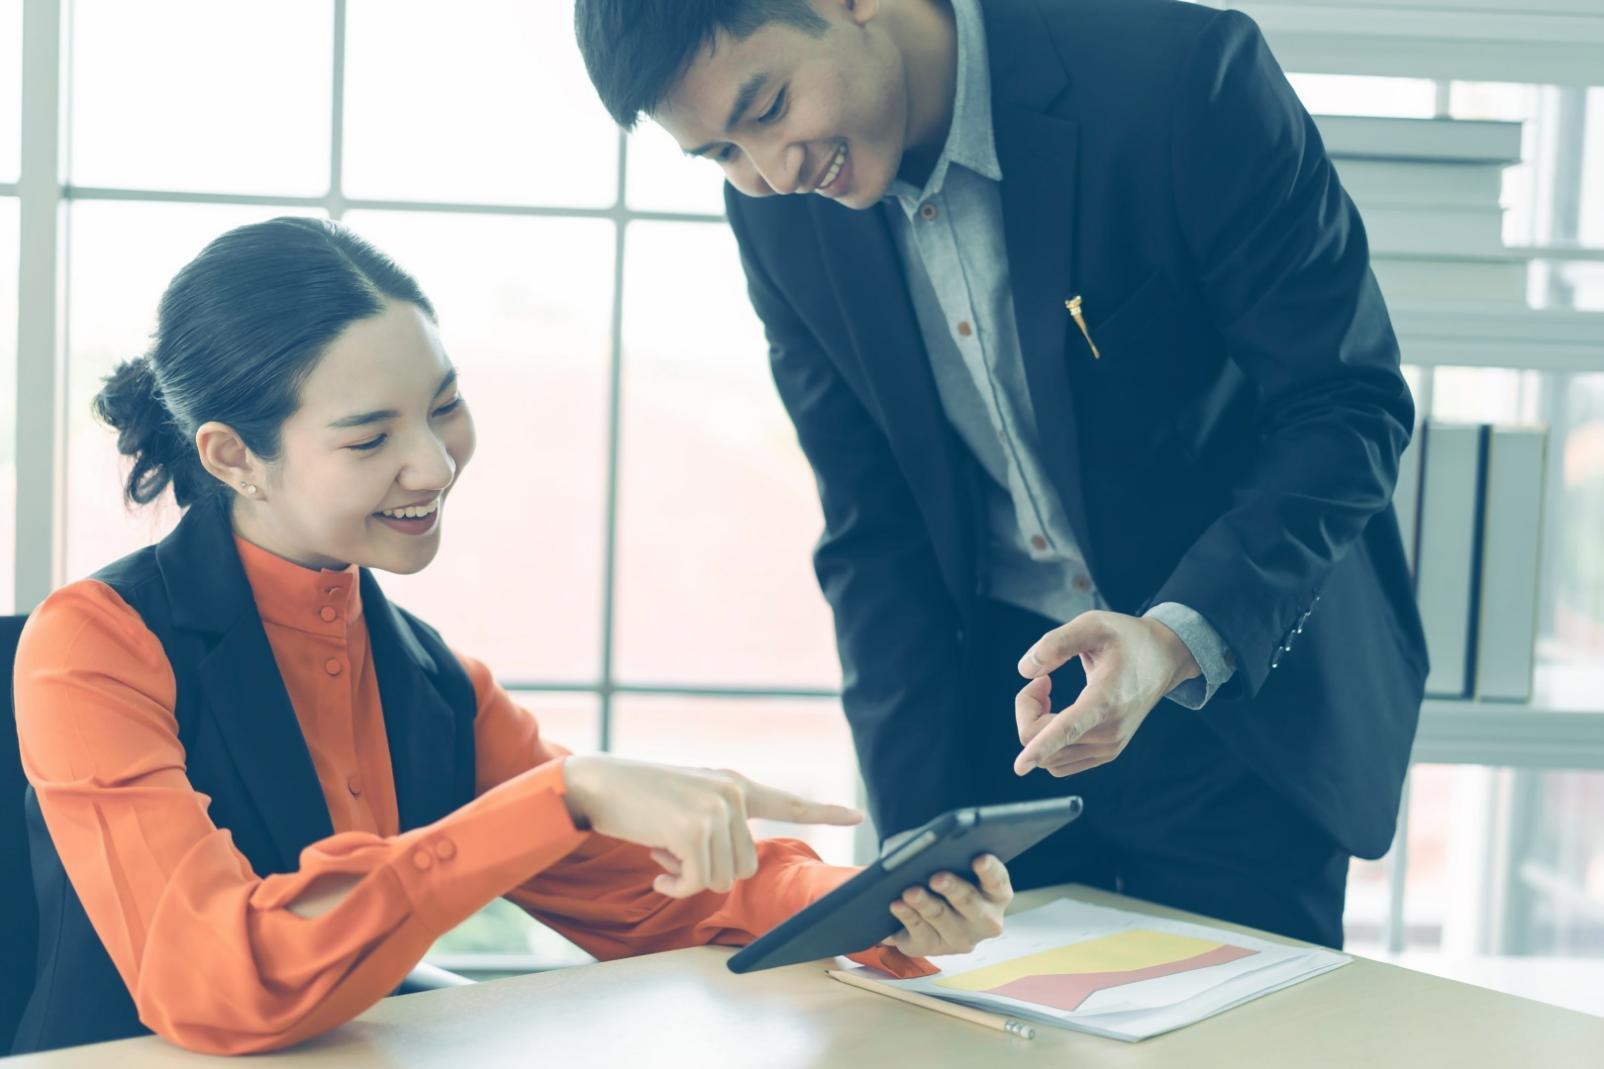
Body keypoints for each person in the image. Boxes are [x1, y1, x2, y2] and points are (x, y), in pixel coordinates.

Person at [10, 217, 1014, 1056]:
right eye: (370, 437)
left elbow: (658, 896)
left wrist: (869, 899)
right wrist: (558, 797)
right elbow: (216, 977)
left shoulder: (431, 679)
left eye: (445, 406)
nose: (434, 464)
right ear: (233, 456)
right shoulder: (91, 646)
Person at [573, 0, 1429, 949]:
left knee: (1240, 1025)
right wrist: (914, 839)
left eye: (769, 108)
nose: (774, 172)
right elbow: (873, 528)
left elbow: (1345, 404)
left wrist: (1173, 639)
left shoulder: (1180, 80)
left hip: (1231, 701)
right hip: (1002, 732)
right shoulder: (779, 218)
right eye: (722, 154)